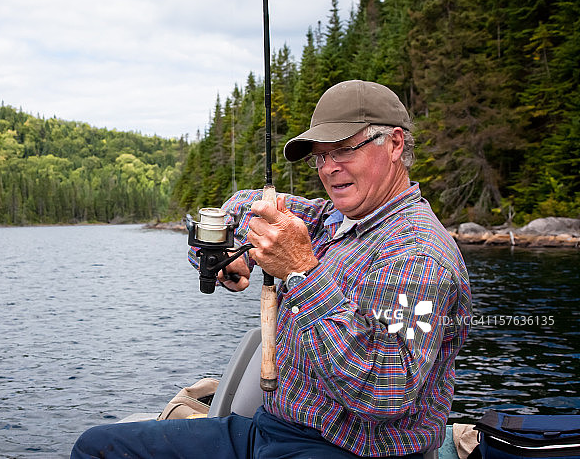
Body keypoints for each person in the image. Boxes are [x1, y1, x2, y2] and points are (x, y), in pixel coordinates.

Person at [71, 80, 472, 459]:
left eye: (345, 149)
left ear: (395, 144)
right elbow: (243, 206)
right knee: (97, 447)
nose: (329, 168)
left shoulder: (417, 254)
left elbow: (385, 390)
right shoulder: (331, 220)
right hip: (271, 430)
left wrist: (300, 272)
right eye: (320, 156)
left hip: (345, 449)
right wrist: (221, 253)